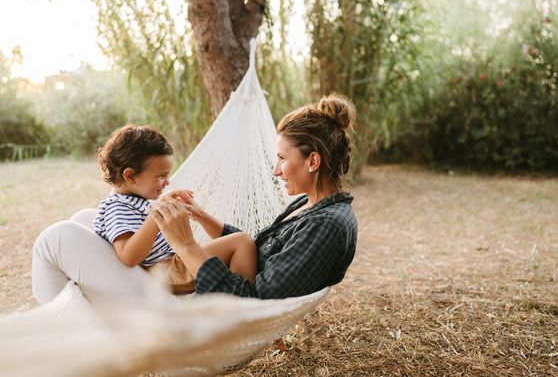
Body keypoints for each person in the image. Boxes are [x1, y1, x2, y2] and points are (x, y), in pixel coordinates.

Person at [32, 94, 357, 303]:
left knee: (57, 237)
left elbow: (254, 298)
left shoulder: (326, 227)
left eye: (282, 158)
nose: (276, 170)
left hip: (181, 296)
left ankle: (72, 325)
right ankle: (77, 317)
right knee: (84, 220)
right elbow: (255, 251)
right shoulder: (309, 208)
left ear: (313, 161)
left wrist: (186, 245)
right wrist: (200, 216)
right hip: (159, 273)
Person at [91, 125, 257, 295]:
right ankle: (240, 304)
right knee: (241, 242)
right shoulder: (116, 207)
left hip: (174, 265)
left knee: (237, 246)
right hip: (165, 271)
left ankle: (234, 299)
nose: (167, 182)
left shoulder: (134, 201)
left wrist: (162, 205)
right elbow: (128, 256)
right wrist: (157, 215)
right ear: (130, 176)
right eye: (160, 176)